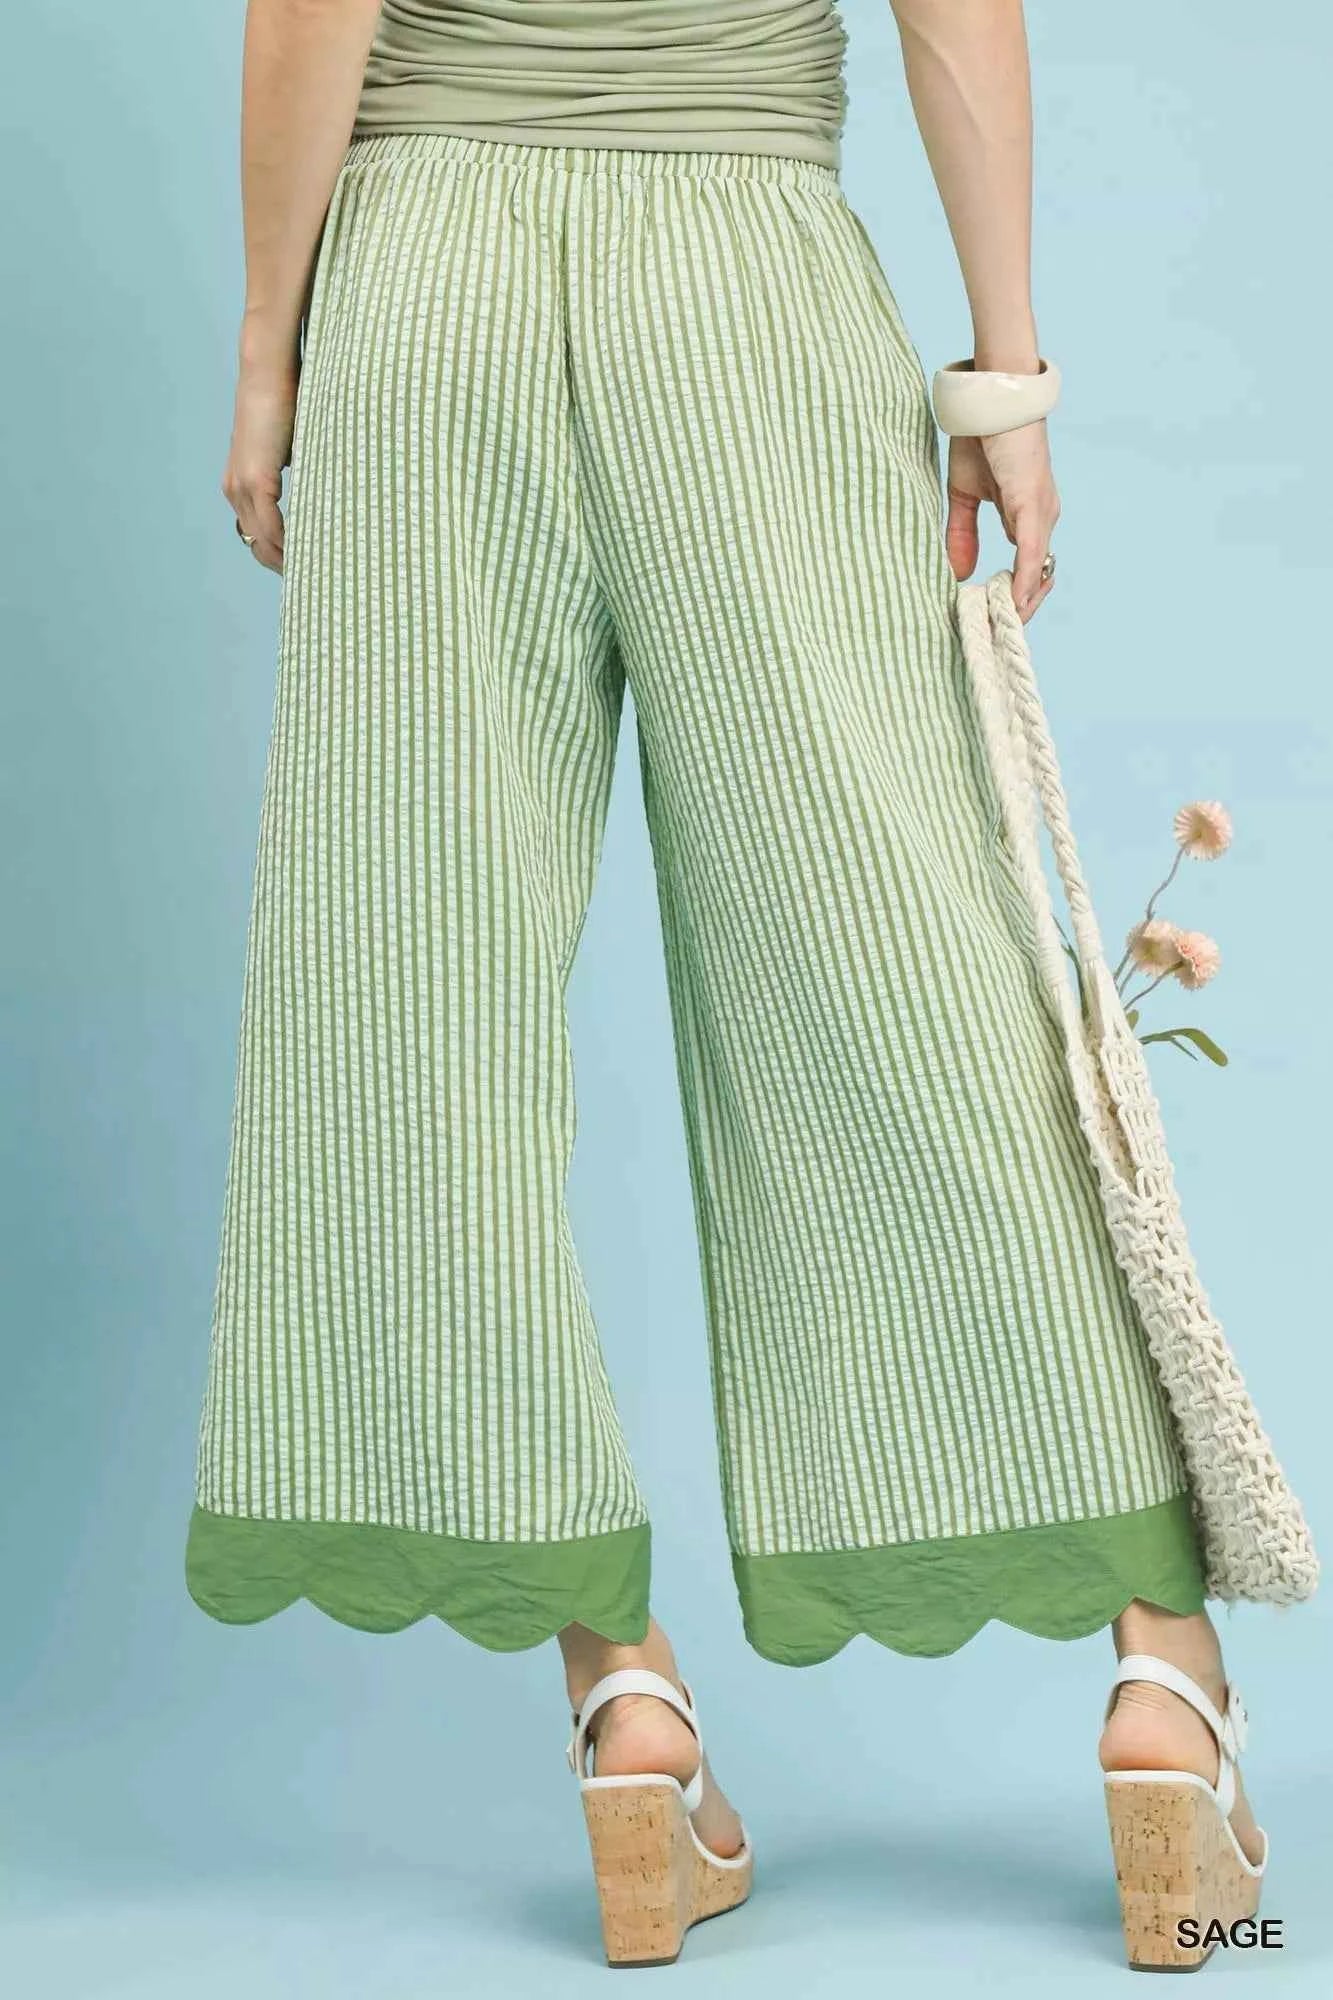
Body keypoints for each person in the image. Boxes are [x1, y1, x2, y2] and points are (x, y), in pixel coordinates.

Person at [193, 0, 1269, 1969]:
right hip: (745, 276)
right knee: (898, 969)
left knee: (416, 985)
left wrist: (274, 346)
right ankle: (1158, 1680)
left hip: (421, 290)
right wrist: (1004, 368)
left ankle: (624, 1703)